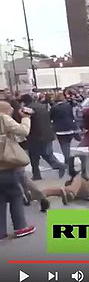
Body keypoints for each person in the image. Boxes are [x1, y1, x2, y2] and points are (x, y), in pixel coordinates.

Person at [0, 101, 36, 239]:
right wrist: (26, 118)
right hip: (6, 164)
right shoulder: (3, 117)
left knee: (0, 198)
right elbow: (23, 131)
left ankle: (1, 231)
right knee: (16, 194)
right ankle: (21, 227)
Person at [21, 94, 66, 180]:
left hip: (35, 135)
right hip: (47, 133)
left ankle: (58, 166)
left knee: (36, 156)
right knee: (45, 153)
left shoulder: (29, 108)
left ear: (24, 102)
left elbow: (27, 120)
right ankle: (38, 174)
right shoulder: (41, 106)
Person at [50, 93, 80, 177]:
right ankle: (70, 167)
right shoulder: (68, 106)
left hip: (60, 130)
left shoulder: (54, 108)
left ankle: (67, 166)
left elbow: (51, 118)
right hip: (70, 128)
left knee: (65, 148)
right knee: (68, 148)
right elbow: (73, 116)